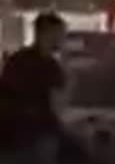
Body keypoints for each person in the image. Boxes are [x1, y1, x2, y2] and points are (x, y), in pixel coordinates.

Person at [0, 11, 68, 150]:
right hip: (37, 140)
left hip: (10, 139)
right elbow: (56, 106)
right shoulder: (50, 66)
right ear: (47, 34)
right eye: (60, 34)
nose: (62, 39)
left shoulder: (16, 60)